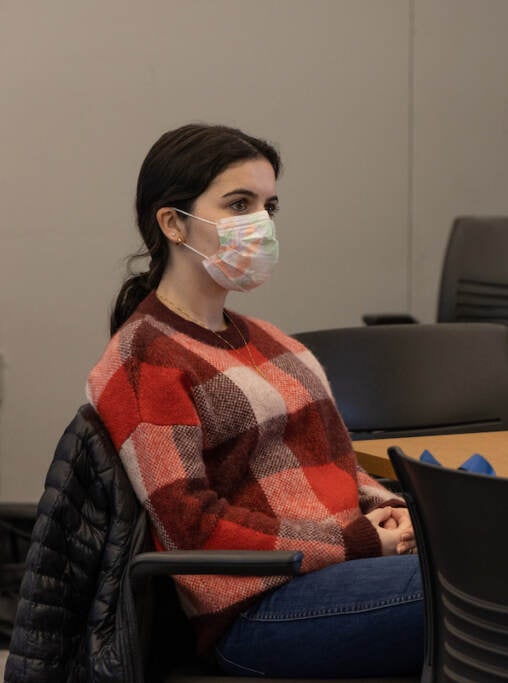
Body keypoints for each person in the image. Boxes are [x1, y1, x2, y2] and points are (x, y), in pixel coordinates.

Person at [86, 124, 423, 678]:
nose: (261, 224)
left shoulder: (272, 341)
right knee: (504, 582)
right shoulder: (143, 358)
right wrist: (358, 541)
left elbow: (341, 468)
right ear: (173, 223)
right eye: (239, 203)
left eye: (269, 205)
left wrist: (398, 515)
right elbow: (192, 528)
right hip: (262, 608)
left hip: (345, 569)